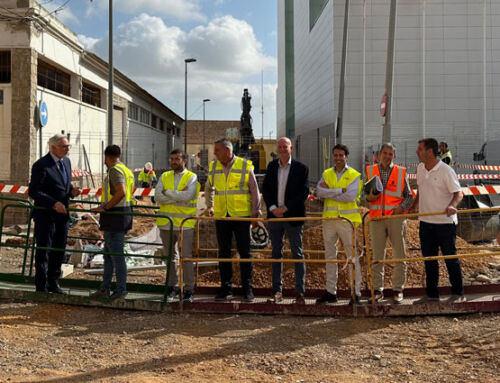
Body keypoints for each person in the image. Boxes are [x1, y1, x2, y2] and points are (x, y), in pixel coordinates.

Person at [205, 138, 260, 302]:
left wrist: (255, 214)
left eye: (217, 150)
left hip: (242, 216)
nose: (214, 153)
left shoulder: (244, 165)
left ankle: (247, 289)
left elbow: (254, 190)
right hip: (222, 216)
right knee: (224, 253)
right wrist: (210, 206)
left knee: (245, 252)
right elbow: (208, 188)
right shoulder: (214, 166)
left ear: (228, 151)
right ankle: (226, 288)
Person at [411, 138, 465, 304]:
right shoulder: (420, 168)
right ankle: (432, 294)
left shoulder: (446, 171)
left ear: (429, 151)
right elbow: (421, 189)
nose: (416, 151)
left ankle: (458, 292)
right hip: (426, 222)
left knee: (450, 258)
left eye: (419, 149)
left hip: (445, 223)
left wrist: (452, 206)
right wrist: (414, 205)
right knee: (429, 259)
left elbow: (458, 193)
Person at [28, 134, 81, 293]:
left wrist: (71, 191)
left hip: (62, 216)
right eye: (64, 146)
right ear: (53, 148)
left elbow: (63, 184)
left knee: (59, 250)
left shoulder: (66, 162)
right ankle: (41, 287)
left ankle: (54, 282)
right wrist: (52, 203)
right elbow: (34, 191)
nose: (67, 149)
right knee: (44, 251)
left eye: (68, 146)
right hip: (46, 216)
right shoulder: (41, 165)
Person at [263, 137, 309, 304]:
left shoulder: (301, 168)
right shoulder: (271, 166)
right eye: (280, 146)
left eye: (285, 146)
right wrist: (273, 207)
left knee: (297, 253)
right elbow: (266, 189)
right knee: (276, 254)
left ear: (292, 148)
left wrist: (286, 208)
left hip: (293, 216)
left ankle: (300, 293)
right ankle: (277, 291)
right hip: (274, 217)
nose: (282, 149)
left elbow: (303, 192)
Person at [366, 143, 414, 303]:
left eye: (390, 154)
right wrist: (368, 198)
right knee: (377, 256)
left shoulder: (401, 172)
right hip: (377, 219)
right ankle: (377, 290)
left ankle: (398, 289)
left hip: (396, 219)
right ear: (379, 154)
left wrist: (401, 208)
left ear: (394, 156)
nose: (387, 156)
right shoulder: (370, 171)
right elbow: (362, 195)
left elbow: (409, 196)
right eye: (385, 153)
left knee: (399, 255)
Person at [315, 144, 363, 305]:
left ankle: (355, 293)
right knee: (330, 257)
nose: (338, 158)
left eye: (341, 155)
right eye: (335, 155)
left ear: (346, 157)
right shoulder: (327, 173)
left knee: (352, 257)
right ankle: (330, 292)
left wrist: (331, 191)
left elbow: (350, 197)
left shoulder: (354, 175)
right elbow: (319, 192)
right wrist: (339, 190)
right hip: (329, 220)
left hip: (346, 221)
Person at [155, 149, 200, 303]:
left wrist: (167, 192)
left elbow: (188, 196)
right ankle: (172, 287)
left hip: (184, 224)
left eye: (177, 159)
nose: (174, 161)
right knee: (169, 258)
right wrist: (177, 195)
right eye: (172, 159)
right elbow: (157, 196)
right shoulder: (164, 176)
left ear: (184, 160)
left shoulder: (191, 177)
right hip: (166, 223)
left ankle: (188, 289)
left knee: (186, 257)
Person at [90, 145, 135, 300]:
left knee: (116, 256)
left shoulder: (115, 170)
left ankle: (121, 290)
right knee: (109, 255)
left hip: (115, 217)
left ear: (106, 157)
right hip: (121, 215)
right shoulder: (126, 170)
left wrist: (105, 207)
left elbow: (121, 192)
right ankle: (105, 287)